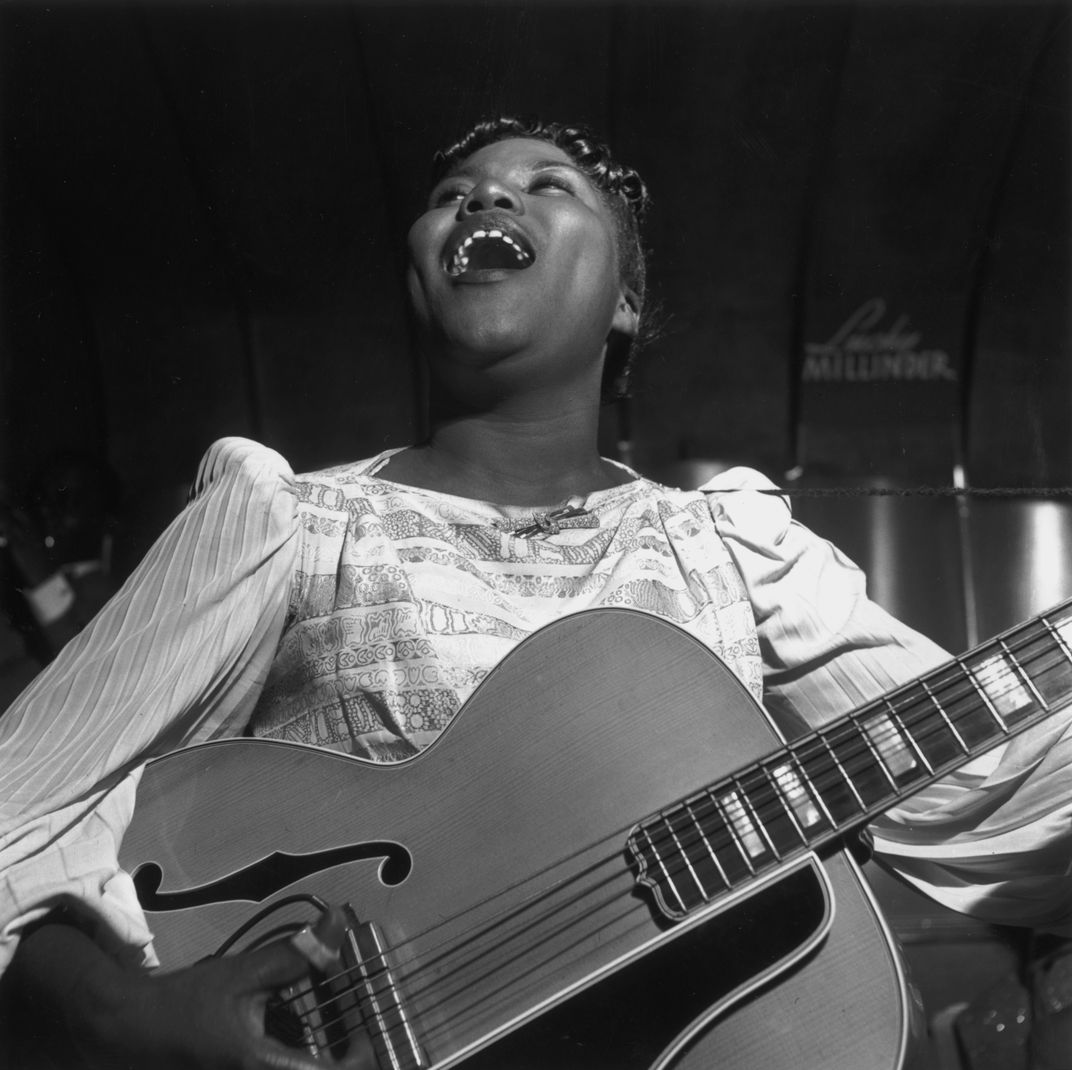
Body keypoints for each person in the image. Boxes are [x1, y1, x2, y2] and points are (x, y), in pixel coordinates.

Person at [1, 117, 1070, 1069]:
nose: (486, 195)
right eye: (451, 191)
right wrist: (122, 1018)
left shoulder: (735, 545)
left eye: (546, 183)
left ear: (626, 301)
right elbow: (21, 800)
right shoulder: (285, 521)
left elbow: (1002, 785)